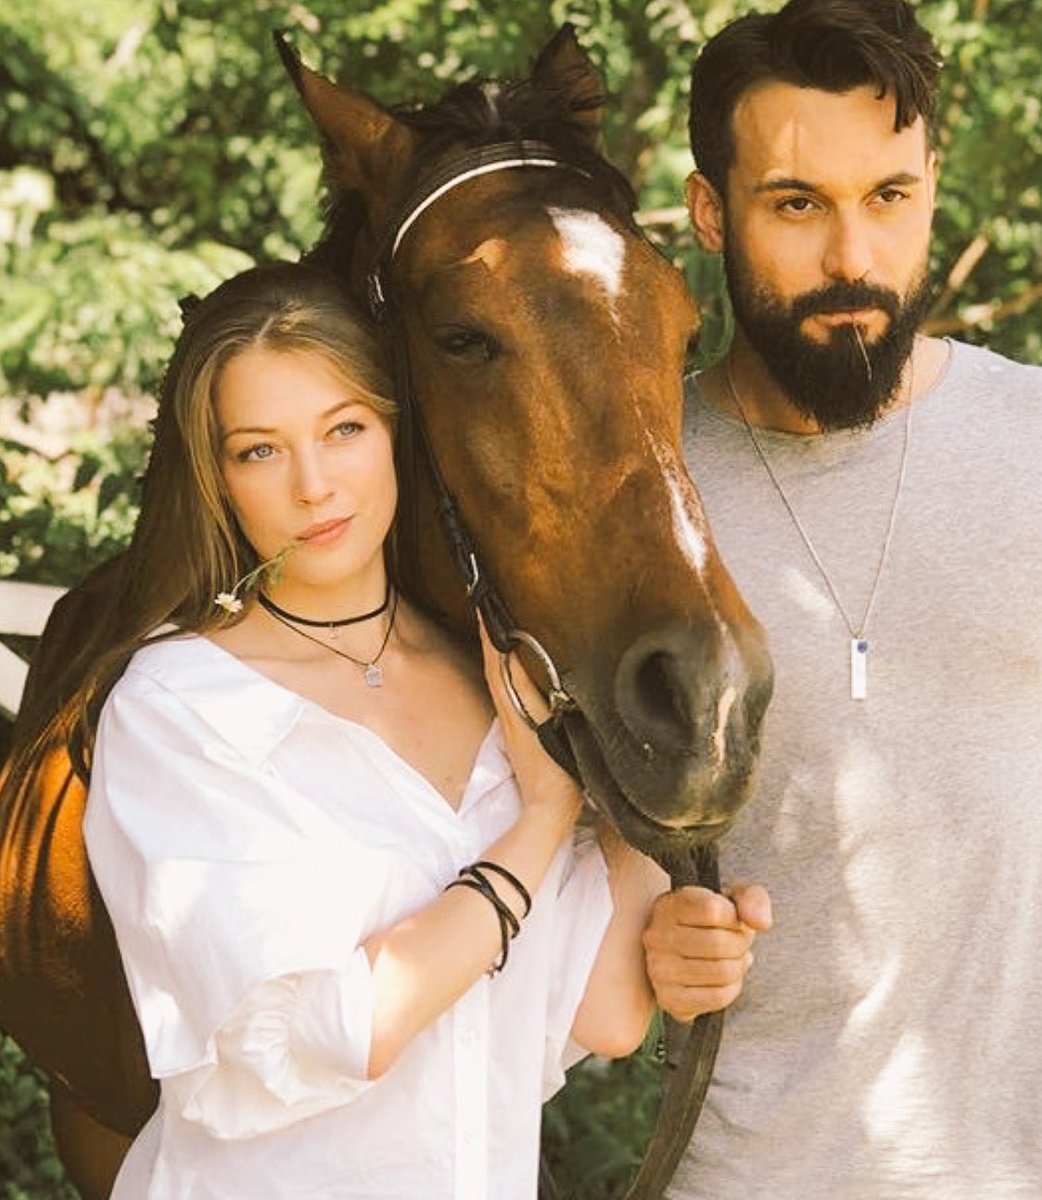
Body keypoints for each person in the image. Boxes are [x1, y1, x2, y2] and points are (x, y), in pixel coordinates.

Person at [75, 261, 662, 1198]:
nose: (314, 485)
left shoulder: (491, 681)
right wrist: (544, 819)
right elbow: (335, 1030)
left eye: (343, 429)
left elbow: (604, 1011)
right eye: (260, 451)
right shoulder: (180, 708)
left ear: (396, 431)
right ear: (217, 479)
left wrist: (642, 755)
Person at [641, 1, 1042, 1197]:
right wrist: (639, 934)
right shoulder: (638, 498)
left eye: (888, 196)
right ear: (709, 210)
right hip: (746, 1174)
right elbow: (554, 849)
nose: (853, 257)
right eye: (796, 205)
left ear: (931, 189)